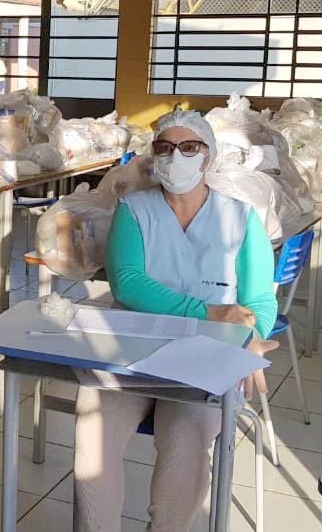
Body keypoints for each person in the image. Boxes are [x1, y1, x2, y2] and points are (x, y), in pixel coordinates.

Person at [73, 110, 279, 531]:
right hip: (132, 351)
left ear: (208, 156)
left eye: (189, 147)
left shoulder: (240, 217)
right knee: (94, 437)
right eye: (165, 148)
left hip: (205, 358)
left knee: (184, 443)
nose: (175, 157)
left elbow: (258, 298)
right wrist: (209, 311)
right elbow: (128, 282)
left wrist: (251, 339)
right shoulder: (134, 209)